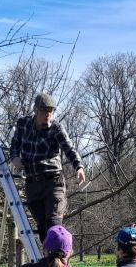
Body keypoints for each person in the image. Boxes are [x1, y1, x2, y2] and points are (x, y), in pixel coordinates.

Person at [9, 92, 88, 243]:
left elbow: (69, 148)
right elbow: (14, 146)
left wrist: (79, 167)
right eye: (45, 111)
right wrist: (15, 158)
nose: (48, 115)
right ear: (36, 111)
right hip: (32, 183)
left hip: (53, 182)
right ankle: (49, 264)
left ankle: (61, 263)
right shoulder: (23, 124)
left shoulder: (56, 128)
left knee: (54, 226)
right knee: (42, 229)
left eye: (51, 111)